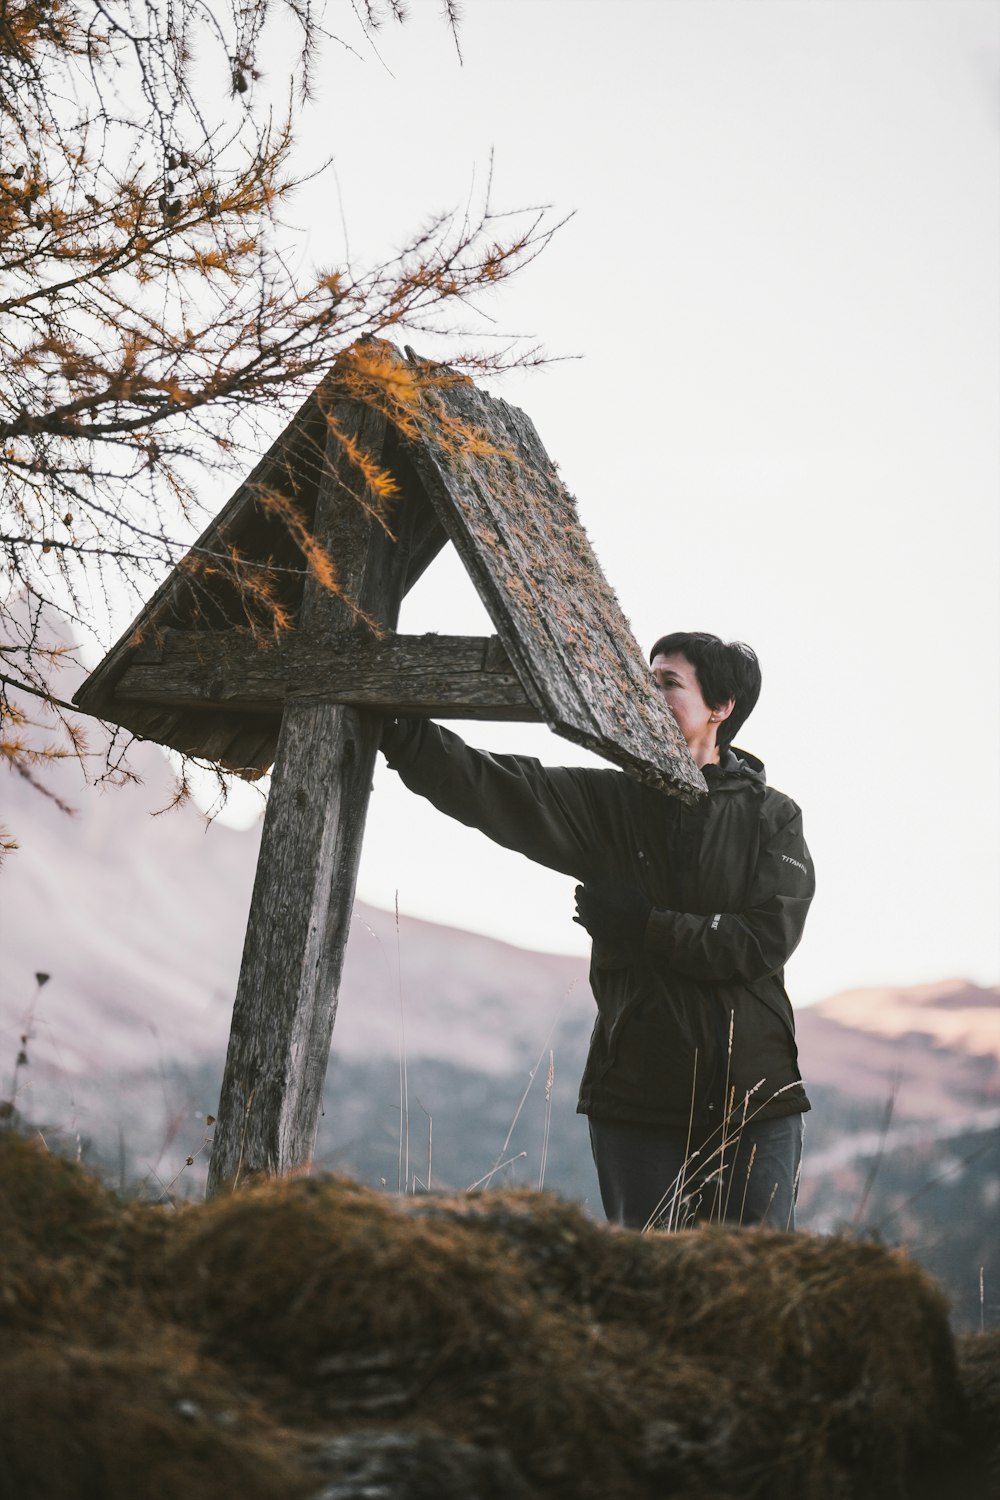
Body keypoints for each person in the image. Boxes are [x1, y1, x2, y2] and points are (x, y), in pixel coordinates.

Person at [380, 631, 814, 1231]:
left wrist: (647, 926)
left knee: (757, 1294)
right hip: (636, 1099)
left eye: (668, 683)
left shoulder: (773, 816)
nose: (648, 693)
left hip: (755, 1103)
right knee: (642, 1284)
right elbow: (498, 786)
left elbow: (762, 941)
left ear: (721, 707)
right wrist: (402, 733)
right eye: (645, 679)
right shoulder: (612, 804)